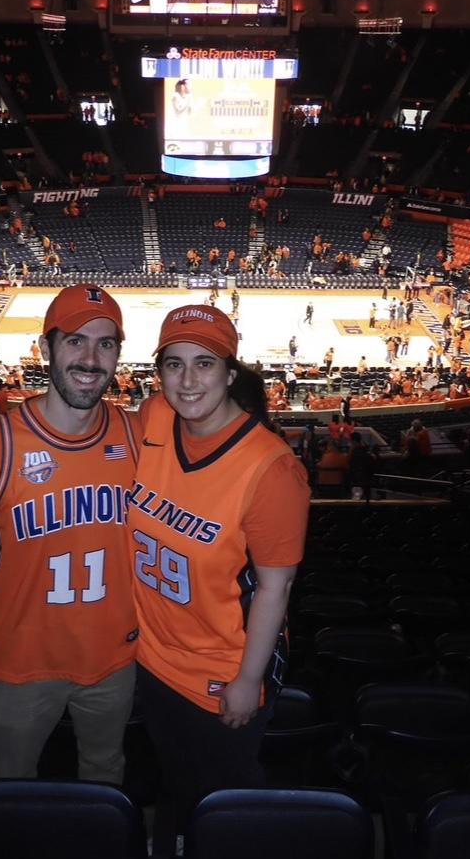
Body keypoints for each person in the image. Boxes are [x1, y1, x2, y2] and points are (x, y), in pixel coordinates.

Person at [129, 305, 310, 844]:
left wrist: (248, 680)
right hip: (151, 659)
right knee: (177, 785)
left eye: (204, 364)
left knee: (225, 804)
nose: (187, 381)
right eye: (174, 365)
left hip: (219, 670)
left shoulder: (271, 469)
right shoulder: (154, 419)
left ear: (231, 373)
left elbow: (276, 587)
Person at [0, 285, 139, 782]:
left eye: (106, 344)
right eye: (75, 341)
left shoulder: (139, 437)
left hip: (114, 655)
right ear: (45, 348)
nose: (91, 358)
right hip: (21, 655)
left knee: (106, 770)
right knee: (11, 776)